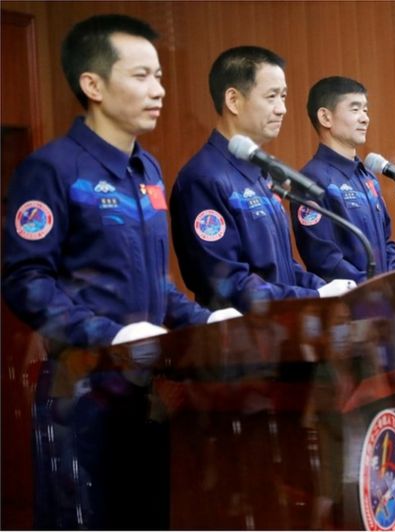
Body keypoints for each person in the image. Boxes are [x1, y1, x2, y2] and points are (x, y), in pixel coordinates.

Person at [1, 14, 237, 529]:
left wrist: (204, 320)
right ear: (93, 85)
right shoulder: (53, 169)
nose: (159, 89)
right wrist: (107, 334)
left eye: (159, 76)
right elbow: (26, 280)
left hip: (147, 390)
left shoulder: (147, 170)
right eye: (141, 75)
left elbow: (154, 283)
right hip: (83, 393)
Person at [170, 47, 353, 312]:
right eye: (271, 97)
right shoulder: (204, 178)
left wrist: (325, 289)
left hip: (281, 327)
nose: (282, 109)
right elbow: (228, 284)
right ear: (233, 100)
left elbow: (283, 267)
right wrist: (313, 296)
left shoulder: (261, 171)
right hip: (241, 334)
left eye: (284, 96)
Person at [291, 76, 395, 283]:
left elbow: (387, 242)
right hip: (351, 299)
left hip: (383, 297)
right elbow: (324, 259)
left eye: (365, 110)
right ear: (325, 117)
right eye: (355, 109)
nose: (365, 118)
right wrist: (373, 289)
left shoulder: (368, 177)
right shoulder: (310, 180)